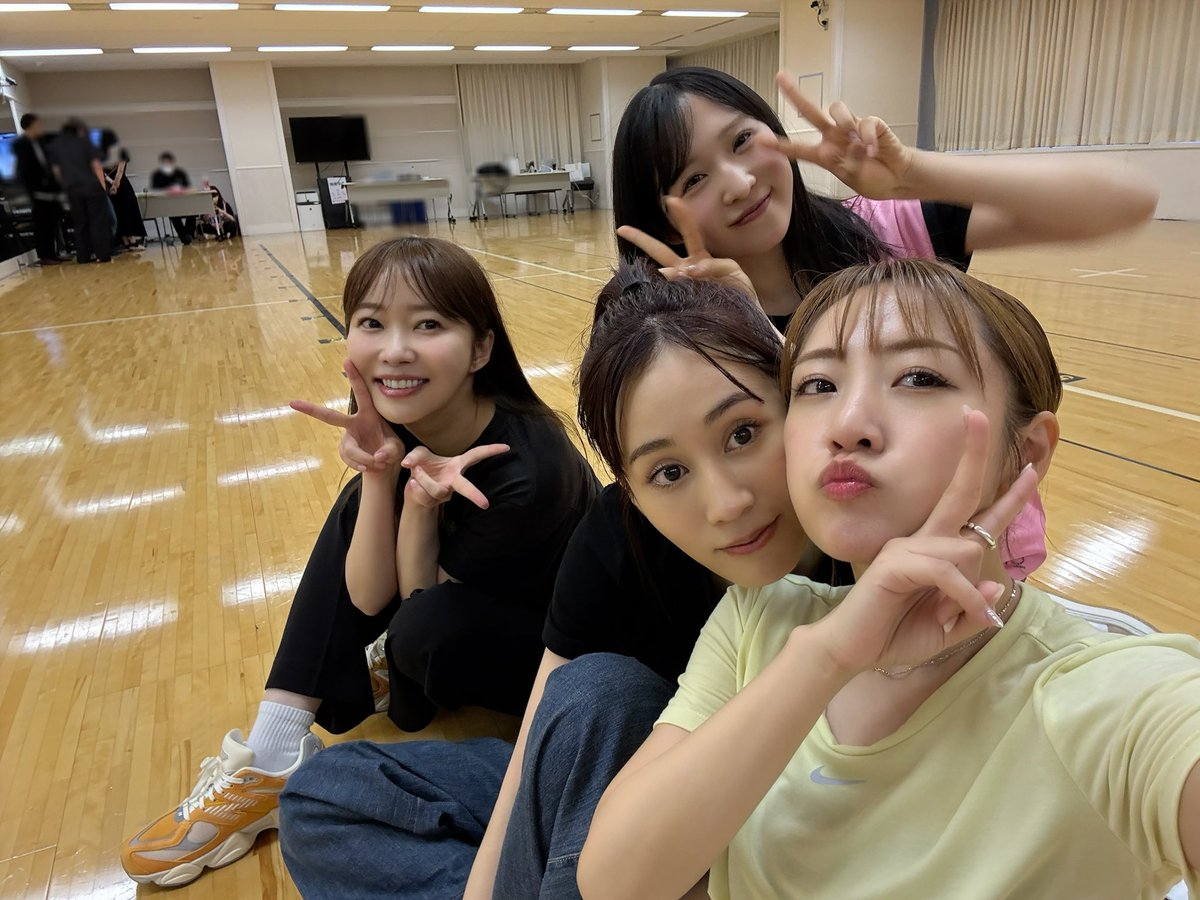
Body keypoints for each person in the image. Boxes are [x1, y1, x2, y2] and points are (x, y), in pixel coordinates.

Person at [275, 265, 1038, 898]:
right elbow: (541, 731)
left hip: (765, 810)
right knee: (321, 793)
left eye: (744, 433)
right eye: (667, 472)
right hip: (643, 790)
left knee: (602, 696)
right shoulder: (617, 539)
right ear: (632, 491)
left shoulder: (871, 533)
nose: (726, 503)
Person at [578, 258, 1200, 899]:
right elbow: (617, 884)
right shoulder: (756, 623)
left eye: (919, 377)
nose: (847, 423)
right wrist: (829, 655)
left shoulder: (1101, 693)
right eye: (818, 385)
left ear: (1026, 452)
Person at [119, 236, 600, 888]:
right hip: (466, 610)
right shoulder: (407, 420)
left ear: (481, 349)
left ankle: (346, 695)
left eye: (428, 325)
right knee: (360, 503)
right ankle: (272, 748)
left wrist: (416, 508)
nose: (395, 349)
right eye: (372, 323)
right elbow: (369, 597)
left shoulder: (526, 470)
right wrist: (380, 476)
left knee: (424, 630)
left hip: (560, 658)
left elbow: (413, 609)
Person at [612, 67, 1158, 333]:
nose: (739, 183)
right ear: (664, 221)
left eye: (741, 141)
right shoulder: (679, 326)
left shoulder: (885, 233)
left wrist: (914, 175)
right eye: (693, 180)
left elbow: (1126, 201)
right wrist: (746, 317)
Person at [47, 118, 111, 265]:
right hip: (91, 186)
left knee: (80, 223)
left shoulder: (56, 146)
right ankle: (101, 255)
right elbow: (96, 165)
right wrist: (103, 187)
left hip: (73, 189)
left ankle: (83, 257)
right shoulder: (85, 143)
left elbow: (56, 171)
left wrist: (66, 186)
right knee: (97, 221)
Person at [12, 112, 64, 265]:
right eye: (37, 124)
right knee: (42, 223)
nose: (40, 127)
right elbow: (23, 170)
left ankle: (53, 253)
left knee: (52, 220)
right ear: (30, 126)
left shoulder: (41, 142)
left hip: (50, 189)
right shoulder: (21, 145)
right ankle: (44, 255)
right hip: (36, 191)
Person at [100, 129, 146, 251]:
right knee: (126, 212)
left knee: (120, 213)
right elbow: (119, 171)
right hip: (120, 186)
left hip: (112, 186)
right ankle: (131, 241)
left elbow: (106, 172)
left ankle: (126, 241)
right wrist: (115, 185)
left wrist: (112, 184)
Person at [149, 151, 195, 245]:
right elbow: (154, 190)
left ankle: (188, 234)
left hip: (183, 201)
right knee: (173, 214)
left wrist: (180, 190)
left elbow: (188, 186)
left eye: (168, 162)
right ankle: (184, 236)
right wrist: (167, 190)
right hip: (168, 204)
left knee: (193, 211)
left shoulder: (180, 172)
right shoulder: (157, 175)